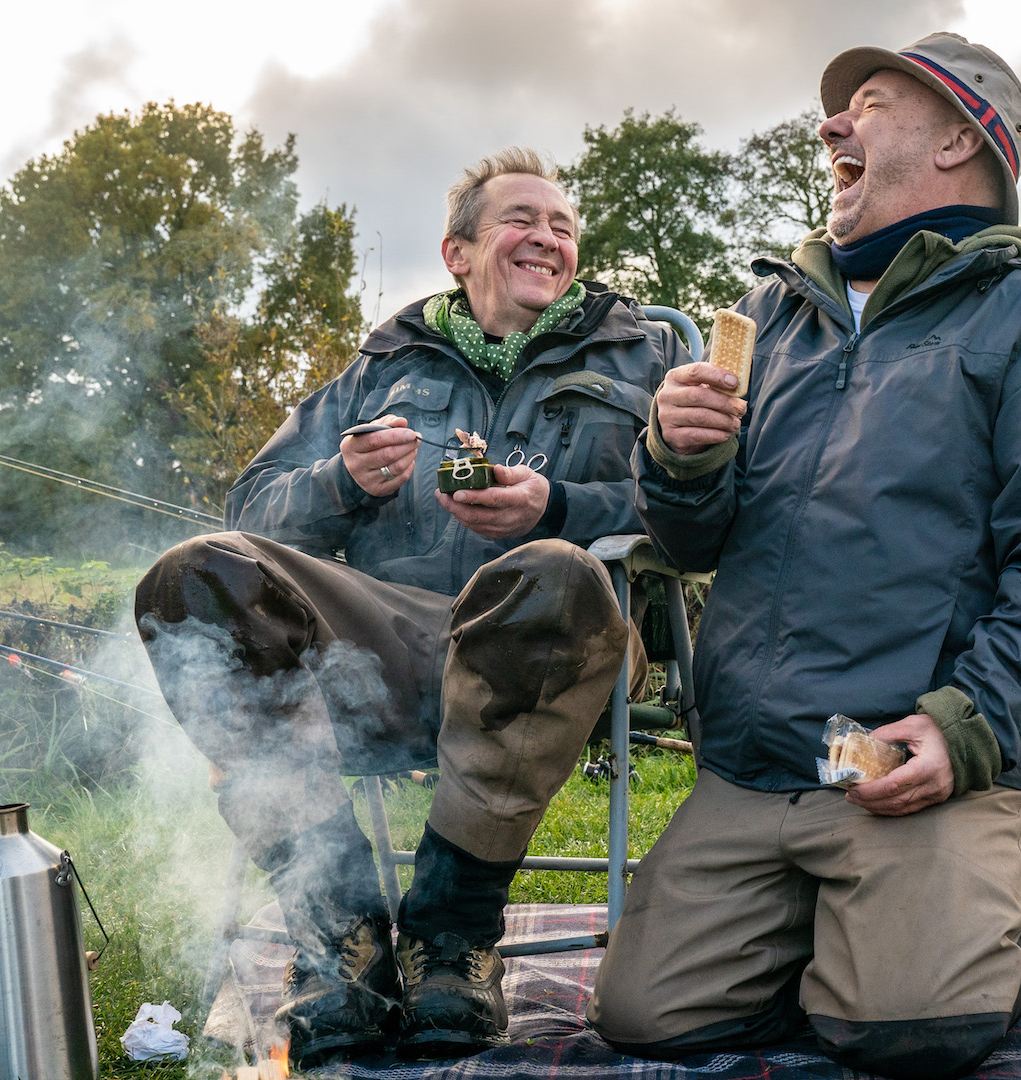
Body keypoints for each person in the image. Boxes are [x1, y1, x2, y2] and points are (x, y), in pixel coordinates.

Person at [586, 32, 1021, 1079]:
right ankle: (834, 921)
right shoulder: (765, 319)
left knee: (905, 1028)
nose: (834, 122)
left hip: (901, 750)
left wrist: (965, 727)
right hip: (760, 759)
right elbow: (693, 541)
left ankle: (984, 907)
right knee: (643, 1018)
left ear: (958, 144)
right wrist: (678, 459)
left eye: (873, 104)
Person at [133, 148, 681, 1065]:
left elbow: (700, 510)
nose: (548, 236)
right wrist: (338, 483)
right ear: (458, 252)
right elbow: (251, 509)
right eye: (521, 219)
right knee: (195, 573)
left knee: (551, 568)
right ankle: (340, 930)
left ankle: (450, 937)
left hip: (561, 642)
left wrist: (561, 511)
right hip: (394, 639)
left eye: (564, 225)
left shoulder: (646, 354)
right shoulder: (380, 366)